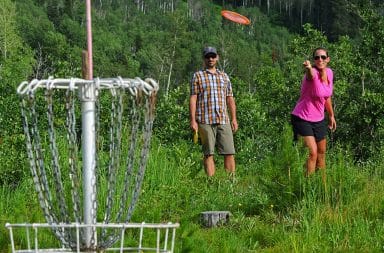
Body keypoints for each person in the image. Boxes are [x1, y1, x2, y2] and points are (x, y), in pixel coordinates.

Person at [190, 46, 238, 177]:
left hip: (223, 118)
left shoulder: (224, 76)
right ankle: (211, 183)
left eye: (213, 56)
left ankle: (230, 184)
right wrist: (193, 120)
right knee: (208, 153)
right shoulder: (198, 76)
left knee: (229, 152)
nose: (210, 59)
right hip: (205, 119)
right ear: (204, 59)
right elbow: (193, 98)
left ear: (217, 57)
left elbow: (230, 98)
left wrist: (234, 118)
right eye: (207, 56)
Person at [291, 47, 337, 178]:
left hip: (318, 119)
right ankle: (308, 187)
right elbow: (310, 75)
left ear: (328, 59)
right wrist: (309, 68)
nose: (320, 60)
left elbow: (326, 96)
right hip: (302, 118)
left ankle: (321, 188)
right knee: (312, 153)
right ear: (313, 60)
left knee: (322, 153)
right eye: (317, 57)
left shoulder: (329, 73)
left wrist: (331, 115)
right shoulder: (312, 75)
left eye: (323, 57)